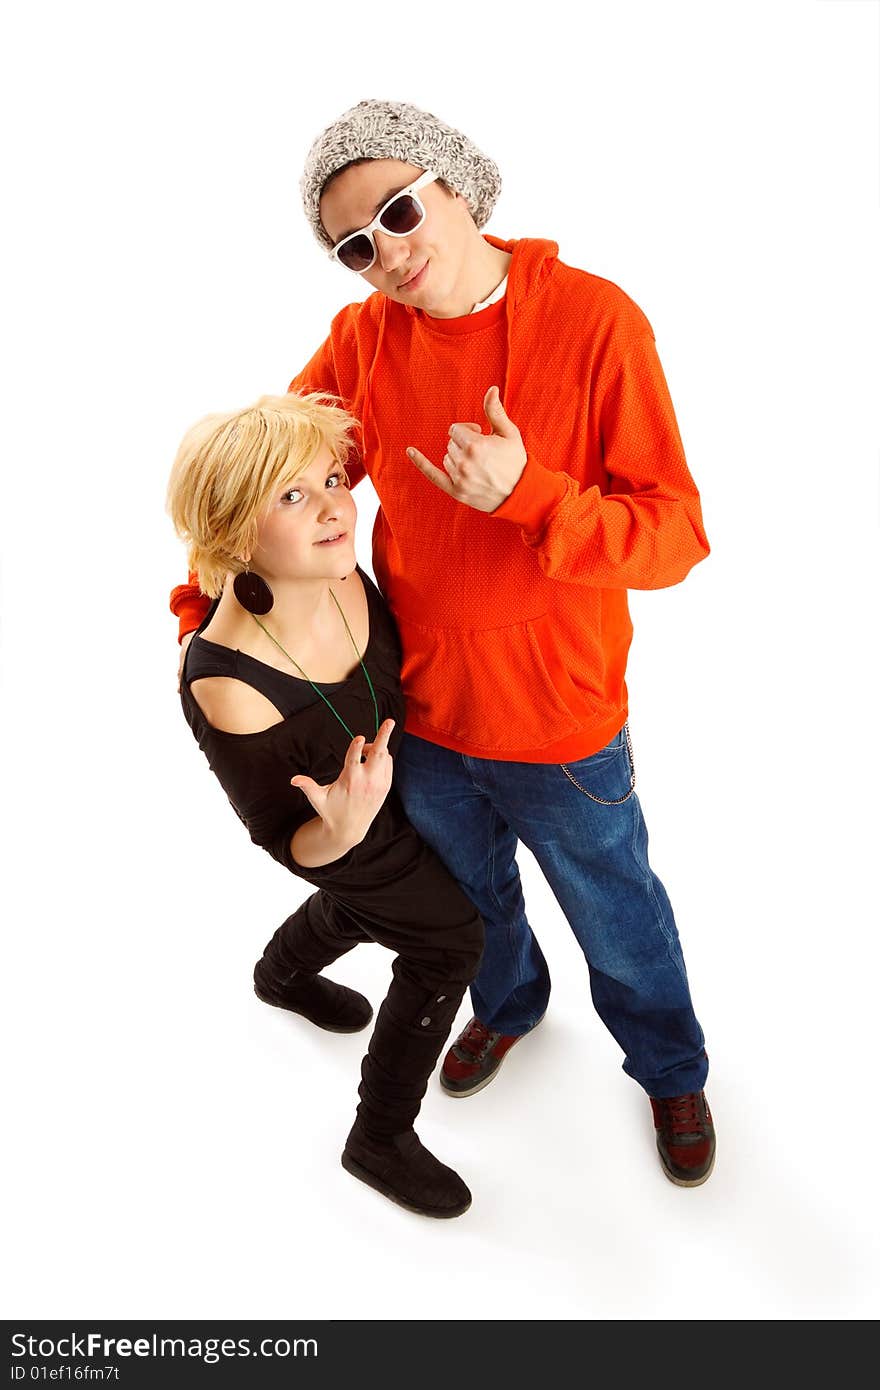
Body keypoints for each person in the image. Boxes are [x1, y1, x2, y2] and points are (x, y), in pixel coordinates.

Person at [171, 99, 716, 1187]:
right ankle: (508, 1011)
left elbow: (675, 536)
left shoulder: (597, 321)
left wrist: (534, 496)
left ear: (458, 183)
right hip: (420, 720)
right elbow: (267, 479)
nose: (387, 252)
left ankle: (669, 1069)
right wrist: (217, 605)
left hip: (562, 727)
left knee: (620, 918)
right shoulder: (365, 341)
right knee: (479, 910)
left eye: (400, 210)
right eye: (356, 246)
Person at [167, 391, 483, 1218]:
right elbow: (279, 836)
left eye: (333, 478)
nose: (336, 506)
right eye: (292, 496)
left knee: (376, 905)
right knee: (450, 940)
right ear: (236, 531)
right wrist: (340, 829)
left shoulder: (342, 567)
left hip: (400, 789)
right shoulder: (228, 682)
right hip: (340, 838)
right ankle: (378, 1138)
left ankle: (280, 975)